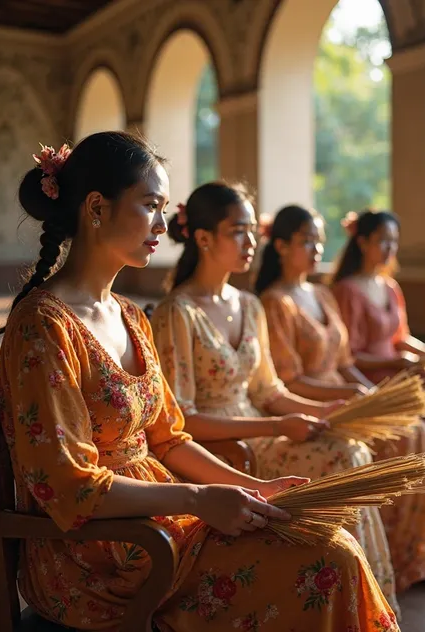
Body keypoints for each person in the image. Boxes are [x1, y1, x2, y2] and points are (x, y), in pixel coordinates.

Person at [0, 133, 398, 632]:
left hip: (160, 521)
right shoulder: (42, 326)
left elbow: (168, 437)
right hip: (98, 556)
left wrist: (257, 489)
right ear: (96, 208)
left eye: (163, 208)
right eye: (150, 207)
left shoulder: (128, 316)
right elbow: (67, 486)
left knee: (330, 544)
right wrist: (197, 499)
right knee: (325, 564)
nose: (164, 226)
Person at [151, 182, 398, 611]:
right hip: (224, 449)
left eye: (252, 231)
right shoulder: (178, 312)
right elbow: (184, 419)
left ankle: (365, 604)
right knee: (343, 458)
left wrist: (326, 409)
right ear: (204, 238)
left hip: (262, 430)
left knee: (349, 445)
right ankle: (348, 603)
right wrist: (277, 425)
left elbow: (269, 390)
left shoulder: (248, 304)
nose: (251, 242)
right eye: (238, 232)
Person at [255, 204, 425, 593]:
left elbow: (345, 362)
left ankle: (417, 553)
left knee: (414, 431)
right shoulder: (275, 302)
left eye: (319, 241)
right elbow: (291, 380)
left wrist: (371, 394)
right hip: (314, 401)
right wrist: (350, 393)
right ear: (280, 246)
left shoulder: (322, 294)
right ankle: (399, 557)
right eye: (306, 241)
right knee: (403, 439)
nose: (315, 249)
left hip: (344, 395)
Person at [331, 209, 425, 484]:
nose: (390, 248)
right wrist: (396, 363)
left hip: (399, 369)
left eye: (394, 241)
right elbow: (349, 356)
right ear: (362, 242)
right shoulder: (347, 290)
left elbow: (401, 338)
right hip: (371, 375)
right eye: (383, 240)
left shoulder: (389, 286)